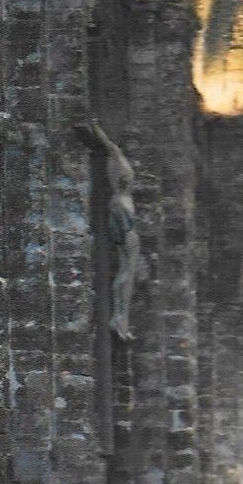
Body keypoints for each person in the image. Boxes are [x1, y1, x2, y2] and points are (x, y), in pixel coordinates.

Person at [88, 117, 140, 341]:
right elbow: (109, 144)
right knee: (129, 265)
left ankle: (120, 317)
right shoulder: (118, 158)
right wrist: (95, 126)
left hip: (120, 210)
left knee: (126, 267)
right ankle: (121, 318)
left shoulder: (117, 162)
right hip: (123, 212)